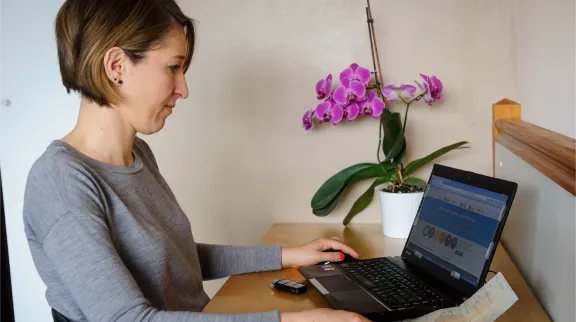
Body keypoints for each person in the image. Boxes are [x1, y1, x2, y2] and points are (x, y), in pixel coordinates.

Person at [22, 0, 371, 321]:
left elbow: (177, 259)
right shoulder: (60, 182)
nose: (183, 89)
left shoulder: (137, 155)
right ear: (116, 66)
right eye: (173, 68)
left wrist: (287, 255)